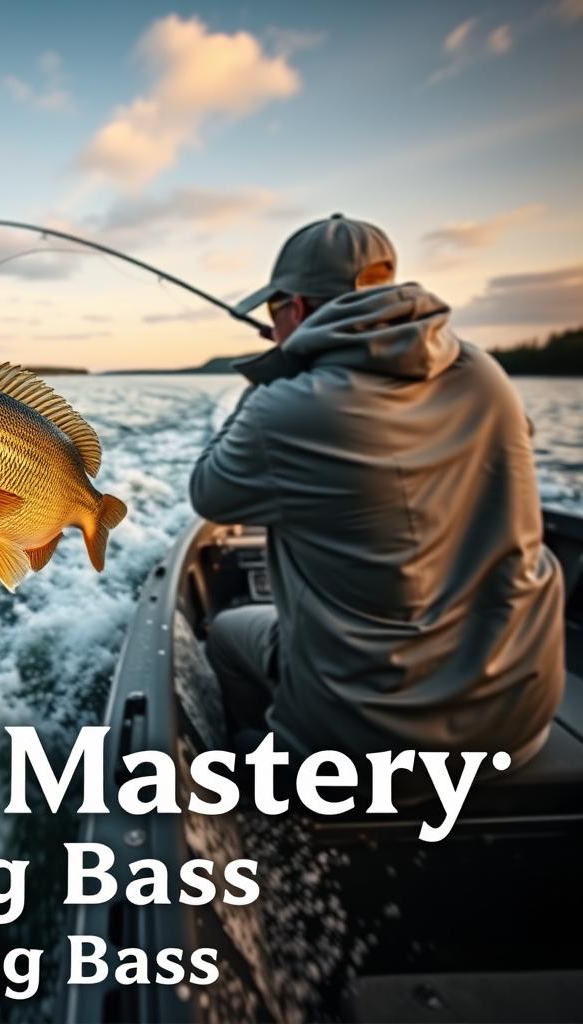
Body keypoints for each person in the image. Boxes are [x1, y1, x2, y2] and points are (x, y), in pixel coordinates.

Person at [190, 213, 564, 785]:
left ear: (295, 308)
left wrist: (275, 373)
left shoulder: (286, 408)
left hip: (368, 748)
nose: (272, 326)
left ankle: (274, 757)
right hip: (517, 721)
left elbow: (209, 493)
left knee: (225, 633)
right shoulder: (485, 375)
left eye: (273, 313)